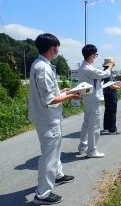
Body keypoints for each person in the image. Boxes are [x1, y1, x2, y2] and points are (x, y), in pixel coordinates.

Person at [28, 33, 81, 205]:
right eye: (57, 47)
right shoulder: (43, 68)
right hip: (47, 119)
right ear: (53, 48)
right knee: (49, 156)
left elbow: (50, 94)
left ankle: (57, 175)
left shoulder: (41, 64)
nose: (58, 50)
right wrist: (70, 95)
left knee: (55, 151)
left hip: (47, 117)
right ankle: (42, 194)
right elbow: (49, 100)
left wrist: (63, 92)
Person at [77, 45, 115, 158]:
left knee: (87, 124)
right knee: (94, 126)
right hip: (93, 100)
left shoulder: (83, 67)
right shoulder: (88, 68)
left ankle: (82, 147)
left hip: (88, 98)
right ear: (92, 55)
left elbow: (96, 80)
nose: (96, 57)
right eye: (96, 55)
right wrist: (111, 65)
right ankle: (92, 151)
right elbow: (105, 74)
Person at [102, 57, 121, 134]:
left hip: (107, 93)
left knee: (108, 110)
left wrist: (116, 81)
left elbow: (110, 83)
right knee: (112, 111)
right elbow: (110, 86)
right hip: (110, 94)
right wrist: (119, 86)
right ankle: (112, 129)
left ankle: (106, 127)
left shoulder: (106, 72)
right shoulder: (107, 72)